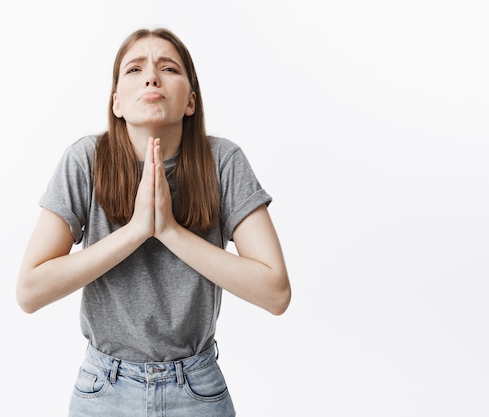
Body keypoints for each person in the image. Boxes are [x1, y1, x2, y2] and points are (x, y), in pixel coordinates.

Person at [16, 27, 291, 416]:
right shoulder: (85, 161)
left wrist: (169, 231)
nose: (151, 77)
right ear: (116, 103)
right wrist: (135, 231)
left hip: (197, 389)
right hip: (103, 388)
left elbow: (276, 292)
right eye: (134, 69)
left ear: (190, 101)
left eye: (168, 68)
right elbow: (30, 291)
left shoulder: (224, 162)